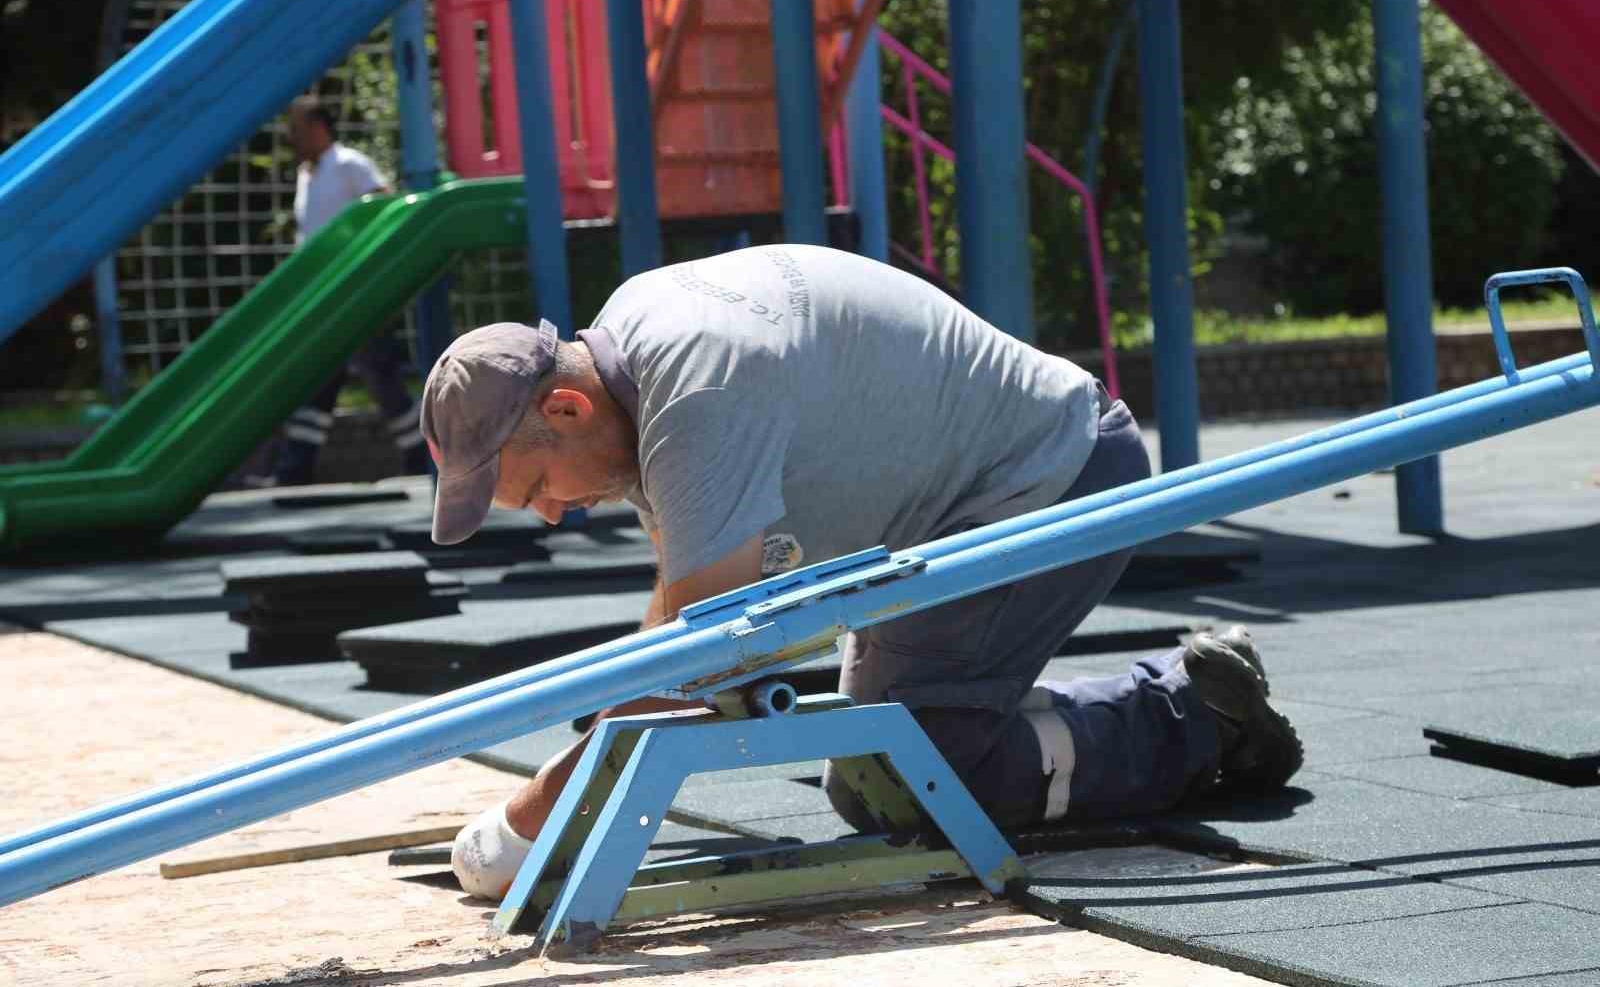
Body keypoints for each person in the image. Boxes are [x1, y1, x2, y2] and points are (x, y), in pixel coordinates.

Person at [419, 244, 1302, 899]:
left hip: (1044, 482)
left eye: (536, 486)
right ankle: (1087, 702)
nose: (549, 512)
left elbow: (708, 660)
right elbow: (684, 618)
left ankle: (1191, 713)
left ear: (566, 408)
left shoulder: (696, 396)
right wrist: (612, 724)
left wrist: (531, 815)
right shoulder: (637, 337)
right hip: (957, 507)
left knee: (927, 784)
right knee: (879, 769)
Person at [252, 95, 430, 486]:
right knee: (327, 377)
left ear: (318, 128)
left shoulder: (348, 164)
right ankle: (297, 466)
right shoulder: (307, 173)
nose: (290, 137)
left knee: (377, 374)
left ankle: (418, 456)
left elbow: (383, 206)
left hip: (355, 292)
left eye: (296, 129)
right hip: (324, 297)